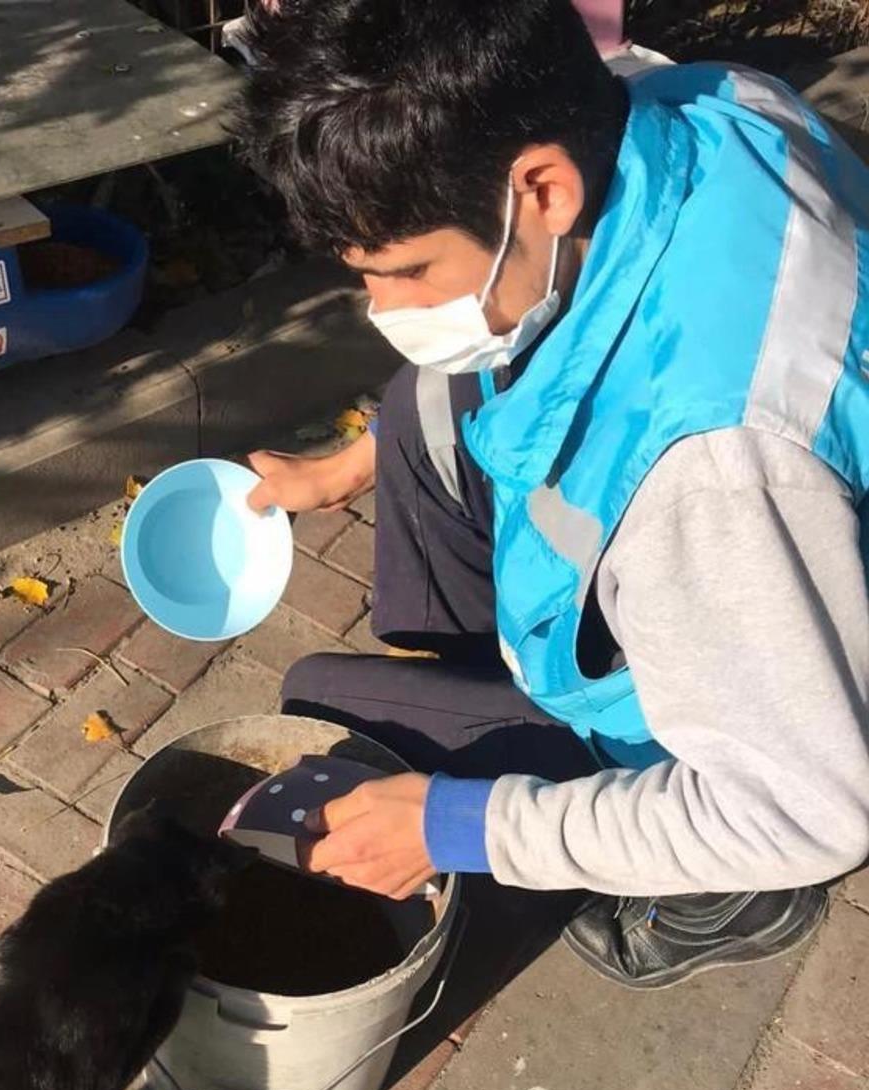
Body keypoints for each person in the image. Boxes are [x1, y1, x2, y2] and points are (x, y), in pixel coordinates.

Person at [233, 0, 869, 988]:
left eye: (406, 271)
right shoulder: (707, 104)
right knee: (422, 404)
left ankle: (730, 894)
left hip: (761, 709)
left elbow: (813, 810)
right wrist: (345, 467)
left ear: (543, 188)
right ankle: (501, 716)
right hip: (764, 561)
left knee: (320, 704)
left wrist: (459, 825)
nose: (385, 311)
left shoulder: (708, 472)